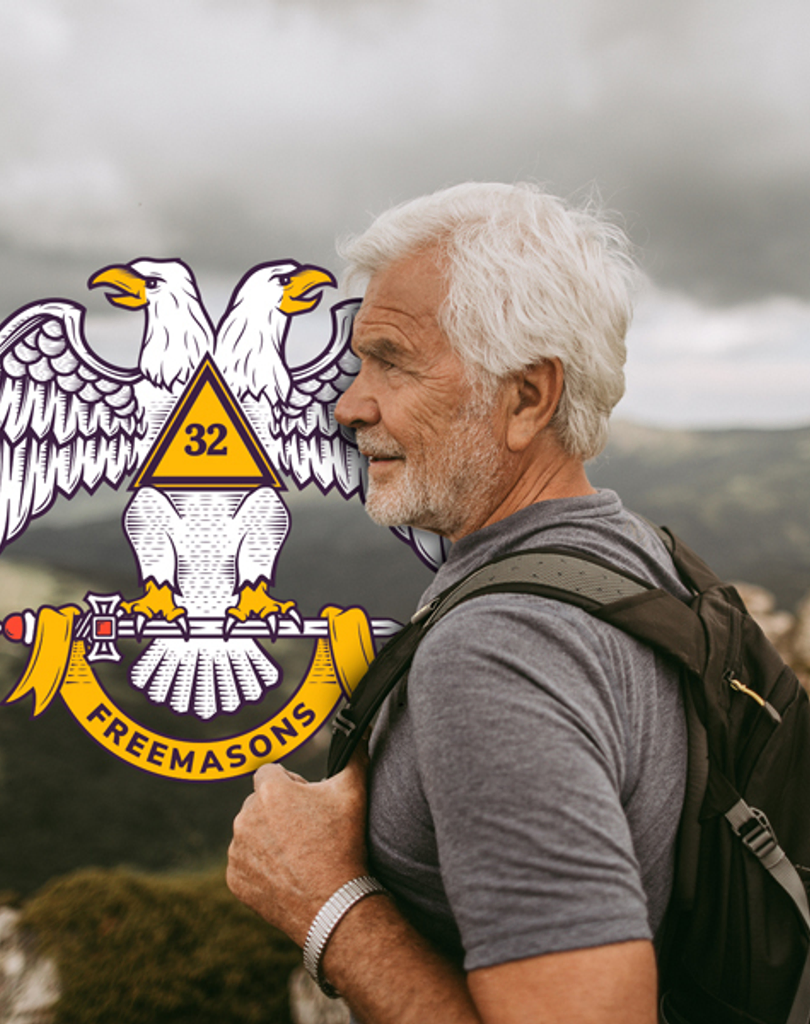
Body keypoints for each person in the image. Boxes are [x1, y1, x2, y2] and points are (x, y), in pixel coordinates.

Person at [226, 182, 689, 1024]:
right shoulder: (636, 555)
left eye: (392, 361)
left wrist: (326, 904)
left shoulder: (499, 653)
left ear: (526, 399)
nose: (348, 404)